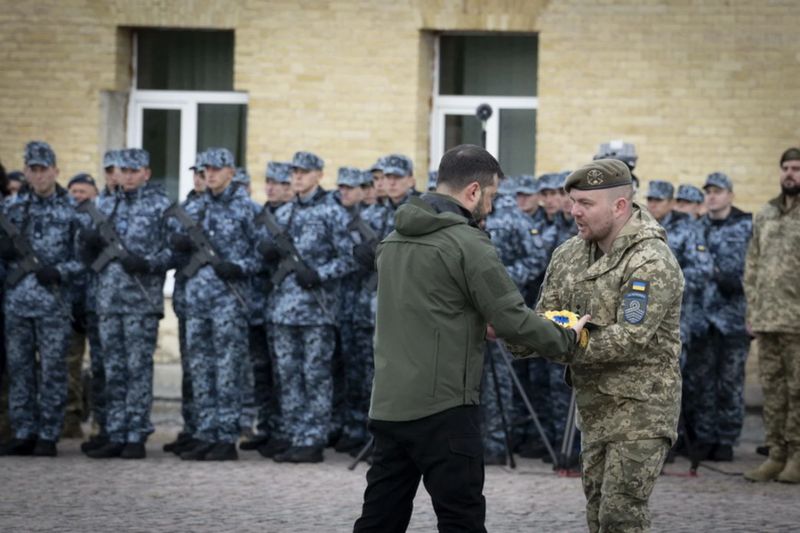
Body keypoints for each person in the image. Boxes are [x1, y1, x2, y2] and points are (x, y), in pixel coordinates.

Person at [353, 145, 585, 533]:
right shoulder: (468, 242)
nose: (491, 208)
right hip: (444, 408)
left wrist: (476, 323)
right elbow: (511, 317)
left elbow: (430, 309)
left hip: (389, 405)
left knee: (380, 518)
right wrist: (566, 338)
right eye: (491, 197)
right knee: (461, 520)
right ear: (473, 191)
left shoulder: (392, 241)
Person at [531, 159, 683, 532]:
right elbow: (544, 317)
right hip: (594, 410)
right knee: (598, 513)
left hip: (641, 411)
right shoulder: (569, 254)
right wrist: (507, 331)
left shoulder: (651, 260)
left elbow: (629, 338)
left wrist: (564, 342)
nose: (574, 211)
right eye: (572, 201)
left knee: (620, 516)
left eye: (585, 203)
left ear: (619, 206)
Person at [262, 151, 355, 463]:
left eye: (304, 172)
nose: (297, 177)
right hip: (282, 309)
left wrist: (320, 274)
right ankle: (294, 434)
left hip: (317, 310)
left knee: (314, 375)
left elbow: (351, 257)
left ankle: (313, 439)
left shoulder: (333, 212)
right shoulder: (284, 213)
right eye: (294, 172)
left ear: (318, 175)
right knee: (287, 375)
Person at [82, 148, 171, 460]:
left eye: (135, 171)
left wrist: (147, 263)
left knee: (137, 370)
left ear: (146, 173)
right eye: (124, 171)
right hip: (107, 300)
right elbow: (88, 253)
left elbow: (175, 252)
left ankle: (136, 434)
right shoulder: (104, 204)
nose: (128, 176)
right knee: (113, 369)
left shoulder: (160, 205)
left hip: (140, 302)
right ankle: (115, 432)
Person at [172, 148, 257, 462]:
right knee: (201, 368)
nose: (209, 173)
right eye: (205, 168)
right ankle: (205, 433)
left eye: (216, 169)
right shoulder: (193, 208)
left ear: (231, 172)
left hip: (228, 302)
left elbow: (262, 254)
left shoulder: (246, 208)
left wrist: (239, 266)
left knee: (227, 370)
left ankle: (225, 436)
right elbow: (174, 247)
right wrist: (178, 246)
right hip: (196, 301)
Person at [0, 141, 83, 457]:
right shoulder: (11, 209)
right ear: (25, 172)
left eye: (43, 169)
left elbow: (83, 261)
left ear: (55, 171)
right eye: (32, 170)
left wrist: (60, 272)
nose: (38, 176)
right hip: (17, 303)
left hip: (53, 304)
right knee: (20, 370)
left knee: (52, 371)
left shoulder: (71, 210)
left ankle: (48, 434)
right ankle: (23, 431)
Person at [743, 147, 800, 483]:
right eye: (786, 168)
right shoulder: (766, 213)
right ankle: (776, 454)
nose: (790, 174)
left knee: (799, 390)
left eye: (796, 168)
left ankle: (797, 456)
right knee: (773, 389)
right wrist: (753, 308)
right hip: (767, 319)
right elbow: (752, 264)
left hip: (797, 321)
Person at [689, 172, 752, 462]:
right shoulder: (697, 228)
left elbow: (758, 269)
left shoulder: (747, 226)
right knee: (703, 381)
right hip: (702, 317)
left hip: (734, 318)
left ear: (730, 195)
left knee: (730, 382)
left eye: (718, 191)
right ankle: (705, 437)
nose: (712, 196)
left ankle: (726, 438)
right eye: (709, 191)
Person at [480, 176, 542, 465]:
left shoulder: (513, 217)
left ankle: (495, 442)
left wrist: (502, 280)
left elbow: (536, 258)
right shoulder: (462, 216)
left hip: (501, 307)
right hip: (469, 308)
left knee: (498, 381)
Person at [163, 151, 207, 456]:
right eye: (197, 173)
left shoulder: (234, 208)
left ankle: (213, 433)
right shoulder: (186, 209)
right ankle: (193, 428)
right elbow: (168, 252)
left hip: (219, 306)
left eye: (206, 173)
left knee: (215, 371)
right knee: (192, 370)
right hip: (187, 299)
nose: (201, 178)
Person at [63, 173, 100, 439]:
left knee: (101, 366)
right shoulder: (63, 220)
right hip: (70, 304)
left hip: (99, 304)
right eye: (74, 191)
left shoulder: (103, 219)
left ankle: (100, 420)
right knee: (69, 364)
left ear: (94, 194)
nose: (78, 196)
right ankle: (71, 419)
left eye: (83, 191)